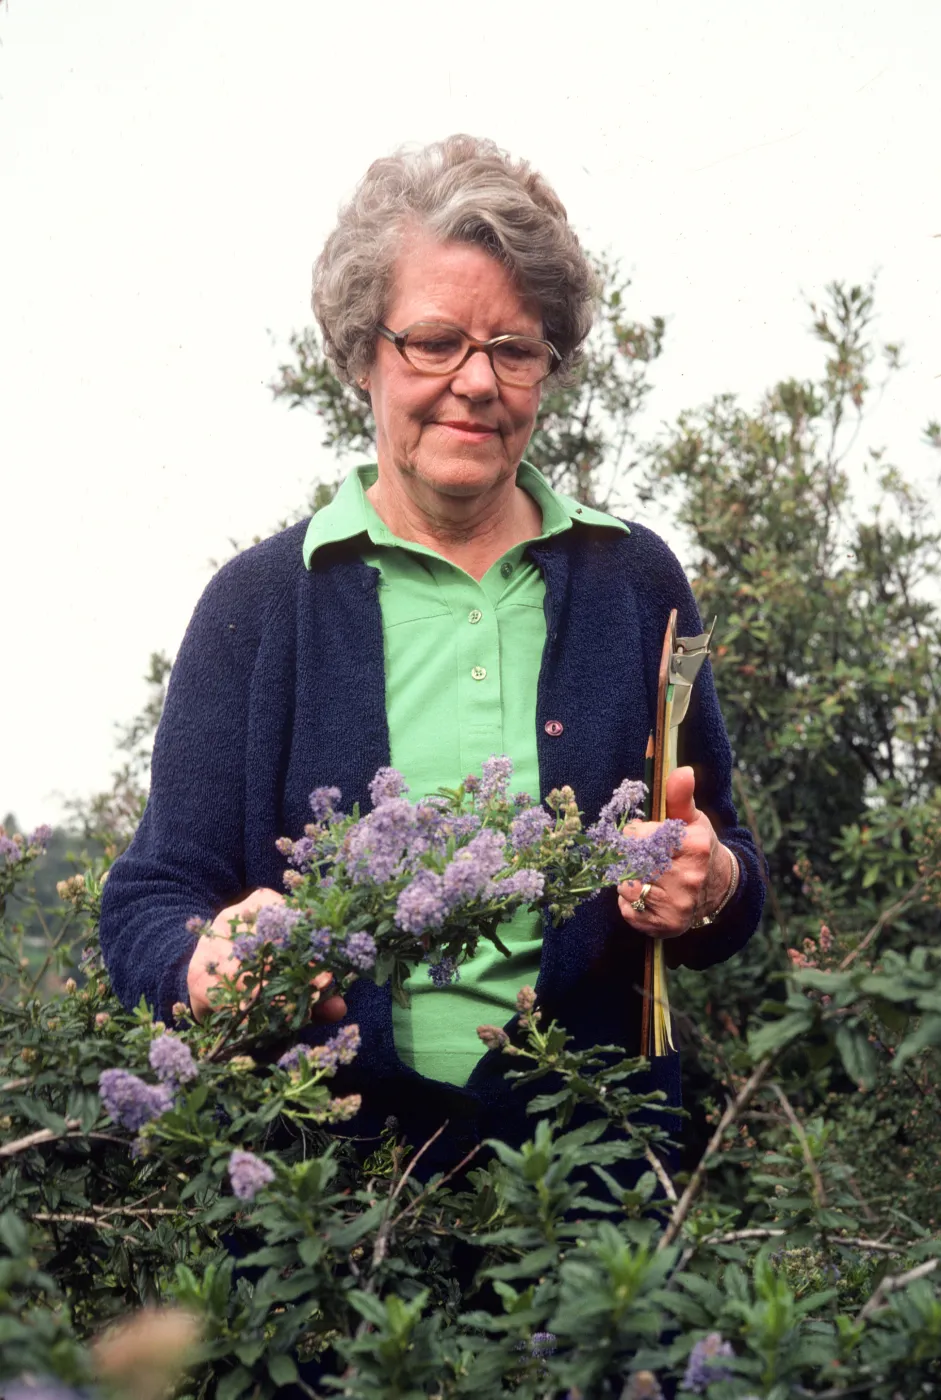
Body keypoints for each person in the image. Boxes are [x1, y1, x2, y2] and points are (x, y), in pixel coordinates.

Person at [99, 134, 764, 1175]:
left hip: (597, 1189)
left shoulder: (635, 583)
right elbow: (149, 896)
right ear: (365, 352)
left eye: (513, 348)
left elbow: (729, 863)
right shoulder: (261, 604)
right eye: (435, 341)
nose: (475, 381)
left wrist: (710, 881)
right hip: (330, 1205)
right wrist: (204, 962)